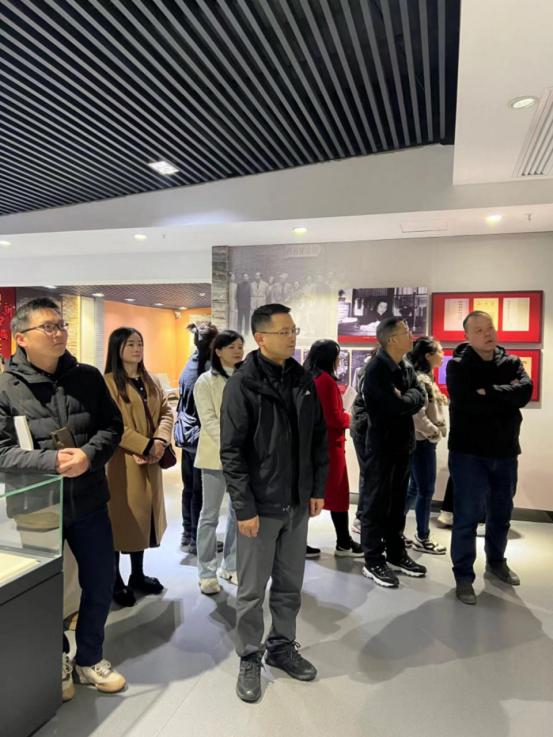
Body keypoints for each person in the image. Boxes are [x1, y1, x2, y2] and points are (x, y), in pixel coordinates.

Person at [0, 298, 125, 699]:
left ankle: (89, 658)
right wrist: (51, 461)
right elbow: (1, 452)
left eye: (61, 325)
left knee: (100, 581)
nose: (58, 333)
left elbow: (112, 427)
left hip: (89, 500)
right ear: (21, 337)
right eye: (48, 327)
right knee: (45, 590)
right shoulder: (4, 387)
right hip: (36, 505)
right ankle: (54, 660)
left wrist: (88, 455)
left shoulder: (87, 377)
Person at [220, 303, 328, 703]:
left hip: (296, 504)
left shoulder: (302, 379)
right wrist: (244, 508)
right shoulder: (243, 384)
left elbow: (318, 437)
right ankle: (250, 655)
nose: (292, 337)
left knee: (289, 585)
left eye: (294, 330)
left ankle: (282, 646)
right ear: (261, 337)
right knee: (251, 591)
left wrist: (316, 488)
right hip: (260, 507)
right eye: (285, 331)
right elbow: (231, 453)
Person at [447, 311, 532, 605]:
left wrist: (490, 392)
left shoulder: (511, 362)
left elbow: (525, 392)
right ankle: (463, 576)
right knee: (467, 516)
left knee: (501, 514)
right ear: (467, 336)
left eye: (490, 328)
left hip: (505, 452)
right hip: (469, 454)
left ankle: (496, 562)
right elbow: (467, 403)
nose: (487, 334)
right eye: (479, 330)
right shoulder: (458, 367)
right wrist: (504, 399)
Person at [104, 328, 174, 607]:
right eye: (130, 344)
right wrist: (144, 446)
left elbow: (167, 412)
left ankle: (137, 574)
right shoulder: (108, 383)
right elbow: (112, 424)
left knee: (145, 520)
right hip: (122, 464)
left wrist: (159, 441)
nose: (137, 349)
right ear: (117, 348)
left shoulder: (150, 380)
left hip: (151, 462)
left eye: (140, 344)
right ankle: (115, 580)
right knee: (120, 520)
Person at [360, 317, 427, 588]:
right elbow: (393, 407)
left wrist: (407, 396)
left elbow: (421, 394)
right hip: (382, 446)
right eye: (406, 332)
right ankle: (373, 559)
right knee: (376, 504)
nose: (412, 335)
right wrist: (408, 399)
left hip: (403, 445)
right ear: (392, 339)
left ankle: (396, 553)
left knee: (397, 504)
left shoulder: (405, 364)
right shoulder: (376, 369)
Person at [194, 330, 244, 595]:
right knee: (209, 515)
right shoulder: (205, 381)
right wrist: (231, 445)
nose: (238, 351)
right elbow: (209, 420)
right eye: (232, 347)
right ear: (218, 351)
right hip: (215, 456)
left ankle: (231, 565)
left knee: (239, 513)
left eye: (240, 346)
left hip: (243, 458)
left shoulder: (246, 378)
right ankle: (206, 572)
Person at [305, 340, 363, 557]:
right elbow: (333, 418)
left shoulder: (312, 378)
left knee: (323, 493)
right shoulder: (326, 381)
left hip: (321, 444)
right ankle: (343, 542)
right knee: (338, 494)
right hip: (330, 445)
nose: (339, 361)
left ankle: (342, 541)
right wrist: (351, 419)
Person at [175, 322, 219, 554]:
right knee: (200, 492)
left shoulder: (189, 364)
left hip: (188, 436)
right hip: (202, 438)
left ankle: (188, 534)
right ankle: (197, 540)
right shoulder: (208, 370)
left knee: (190, 489)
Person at [404, 337, 448, 554]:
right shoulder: (421, 380)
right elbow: (417, 415)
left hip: (421, 441)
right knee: (425, 490)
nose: (443, 354)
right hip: (422, 442)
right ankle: (423, 537)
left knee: (415, 488)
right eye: (439, 350)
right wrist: (433, 432)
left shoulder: (423, 377)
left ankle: (393, 529)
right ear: (428, 355)